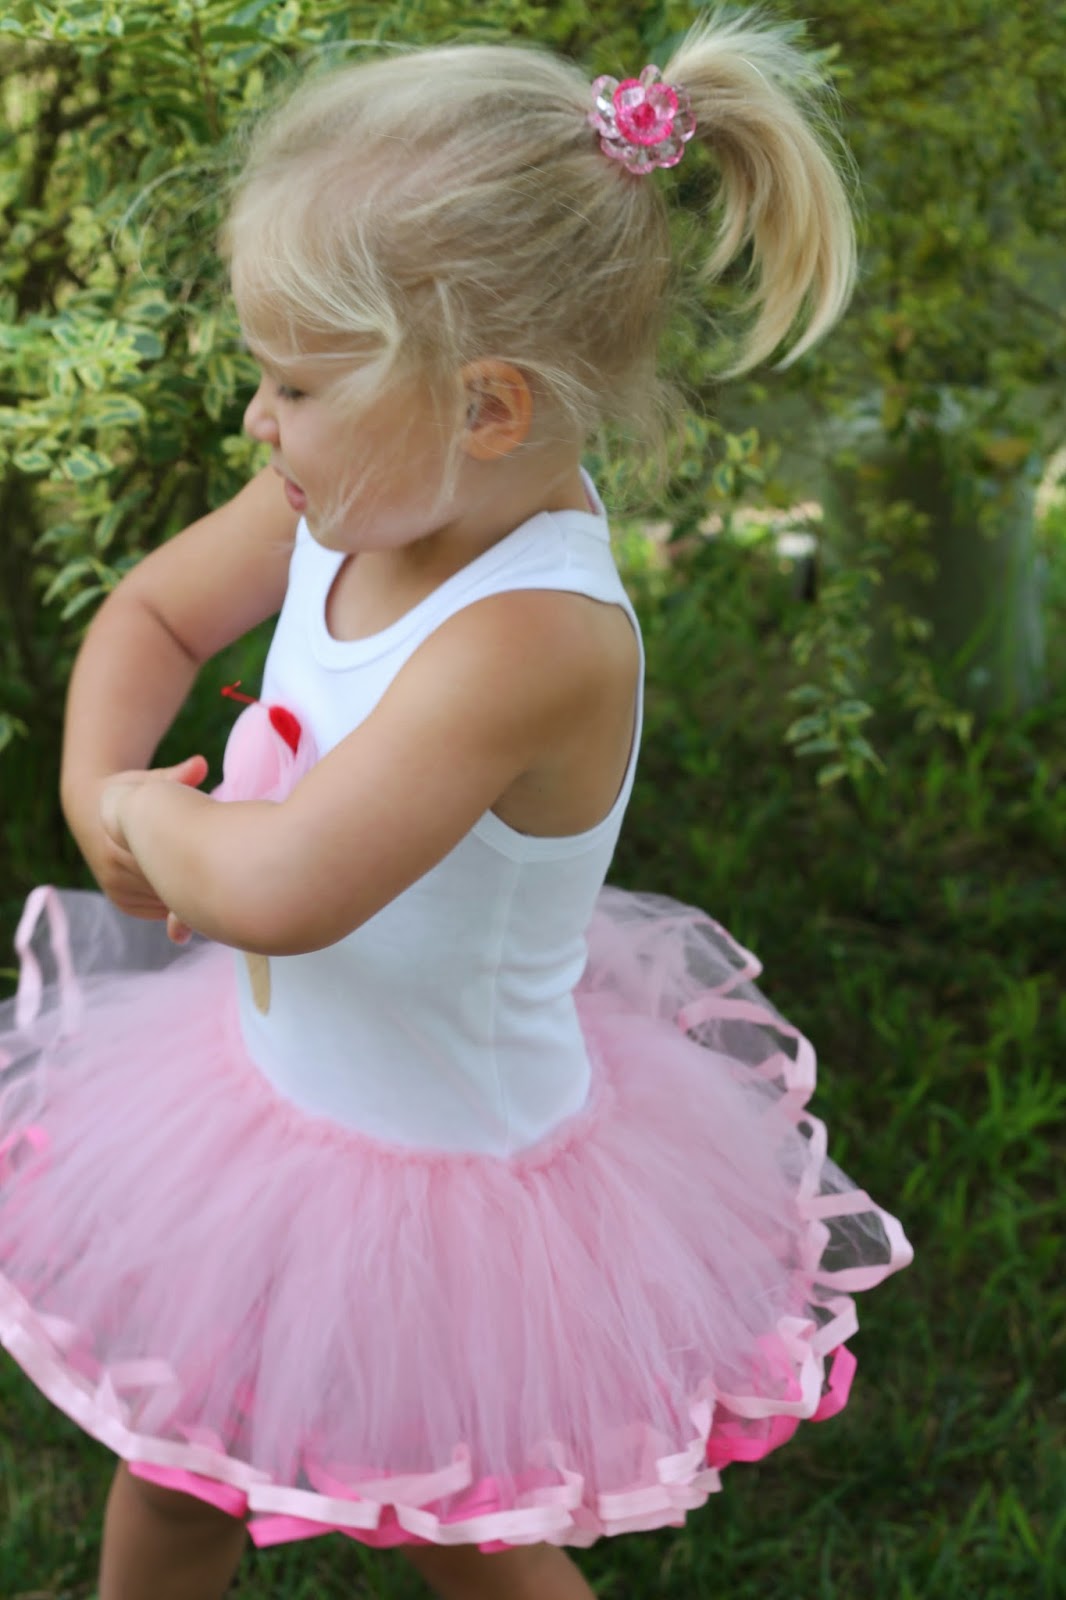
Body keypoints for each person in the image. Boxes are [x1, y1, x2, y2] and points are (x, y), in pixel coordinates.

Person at [0, 12, 913, 1600]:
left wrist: (148, 828)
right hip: (259, 1118)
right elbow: (150, 614)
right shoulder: (350, 490)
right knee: (176, 1472)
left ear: (483, 407)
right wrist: (95, 793)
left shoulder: (530, 638)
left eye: (293, 382)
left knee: (467, 1537)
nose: (258, 420)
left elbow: (284, 888)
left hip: (447, 1195)